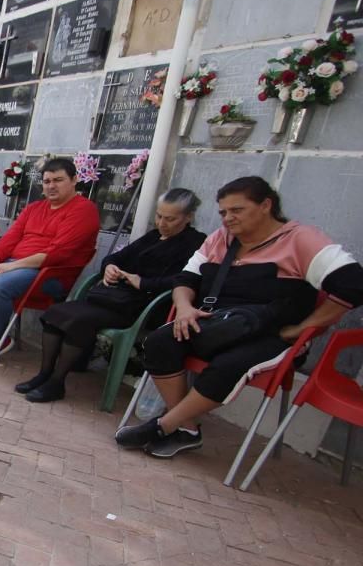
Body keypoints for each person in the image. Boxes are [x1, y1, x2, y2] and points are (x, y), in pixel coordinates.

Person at [116, 176, 363, 458]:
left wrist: (304, 328)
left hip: (271, 334)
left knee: (228, 364)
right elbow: (186, 279)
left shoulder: (300, 240)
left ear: (265, 205)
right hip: (217, 324)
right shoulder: (221, 239)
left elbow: (353, 286)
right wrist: (184, 307)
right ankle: (187, 429)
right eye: (223, 212)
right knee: (160, 341)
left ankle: (162, 426)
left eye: (237, 210)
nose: (228, 218)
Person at [17, 188, 206, 403]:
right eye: (159, 216)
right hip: (116, 298)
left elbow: (184, 281)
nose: (162, 223)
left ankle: (56, 382)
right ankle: (45, 373)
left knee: (79, 321)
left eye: (170, 219)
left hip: (144, 306)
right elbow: (116, 257)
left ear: (188, 217)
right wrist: (110, 267)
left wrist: (142, 282)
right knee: (55, 312)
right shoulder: (153, 236)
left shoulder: (195, 243)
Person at [0, 158, 100, 362]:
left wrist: (12, 265)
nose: (51, 186)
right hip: (16, 263)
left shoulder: (83, 210)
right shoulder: (34, 208)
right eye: (47, 181)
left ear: (74, 180)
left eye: (58, 180)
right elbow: (9, 240)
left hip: (49, 273)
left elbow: (57, 253)